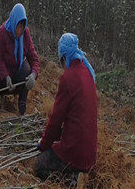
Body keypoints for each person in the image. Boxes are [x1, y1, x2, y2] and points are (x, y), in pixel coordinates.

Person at [35, 33, 97, 181]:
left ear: (64, 57)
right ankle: (79, 174)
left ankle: (73, 180)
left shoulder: (68, 78)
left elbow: (56, 120)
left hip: (76, 153)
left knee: (40, 165)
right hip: (90, 154)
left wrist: (43, 145)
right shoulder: (87, 72)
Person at [0, 3, 39, 115]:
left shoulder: (25, 34)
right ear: (14, 22)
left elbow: (33, 58)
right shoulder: (3, 32)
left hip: (17, 76)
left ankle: (22, 106)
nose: (19, 30)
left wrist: (34, 74)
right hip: (3, 79)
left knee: (26, 69)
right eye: (18, 26)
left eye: (22, 27)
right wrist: (6, 77)